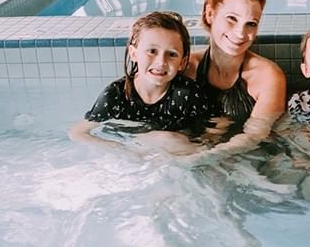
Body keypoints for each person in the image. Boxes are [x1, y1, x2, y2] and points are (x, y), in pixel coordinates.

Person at [181, 0, 287, 165]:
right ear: (210, 14)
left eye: (251, 24)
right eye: (232, 19)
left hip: (248, 160)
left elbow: (255, 135)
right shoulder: (186, 68)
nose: (240, 33)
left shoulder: (268, 76)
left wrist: (203, 158)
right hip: (194, 156)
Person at [68, 11, 210, 156]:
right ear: (134, 53)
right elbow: (78, 133)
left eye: (172, 54)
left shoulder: (187, 94)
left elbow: (210, 135)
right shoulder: (116, 95)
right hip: (131, 154)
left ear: (183, 62)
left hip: (173, 157)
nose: (161, 62)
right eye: (152, 51)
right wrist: (121, 149)